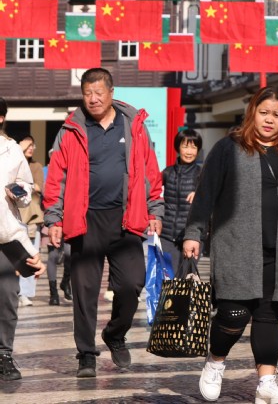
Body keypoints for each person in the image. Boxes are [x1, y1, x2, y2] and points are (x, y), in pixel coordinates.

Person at [184, 87, 278, 404]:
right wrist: (194, 231)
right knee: (233, 314)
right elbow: (206, 194)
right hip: (235, 245)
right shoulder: (228, 149)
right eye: (264, 113)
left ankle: (267, 384)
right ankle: (216, 361)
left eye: (277, 114)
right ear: (252, 113)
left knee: (268, 315)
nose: (270, 120)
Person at [42, 67, 165, 378]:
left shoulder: (133, 124)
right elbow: (57, 176)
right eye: (87, 93)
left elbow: (150, 169)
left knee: (132, 284)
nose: (93, 99)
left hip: (126, 219)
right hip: (84, 221)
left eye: (98, 92)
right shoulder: (71, 129)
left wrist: (155, 210)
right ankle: (86, 354)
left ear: (111, 92)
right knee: (84, 292)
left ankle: (115, 333)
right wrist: (54, 217)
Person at [1, 98, 46, 381]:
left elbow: (27, 189)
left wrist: (19, 191)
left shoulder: (12, 150)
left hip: (5, 236)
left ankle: (3, 354)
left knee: (6, 296)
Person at [160, 127, 203, 275]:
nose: (189, 151)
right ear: (178, 147)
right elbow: (153, 194)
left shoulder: (202, 174)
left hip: (191, 236)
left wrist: (200, 194)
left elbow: (214, 197)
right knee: (168, 279)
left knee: (185, 279)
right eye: (185, 146)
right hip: (167, 236)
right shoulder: (167, 172)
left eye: (193, 147)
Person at [16, 137, 42, 306]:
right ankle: (14, 290)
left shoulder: (36, 166)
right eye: (27, 144)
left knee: (31, 255)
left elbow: (40, 187)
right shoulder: (13, 163)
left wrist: (23, 185)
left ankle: (25, 293)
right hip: (13, 217)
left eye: (33, 144)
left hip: (31, 216)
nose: (31, 147)